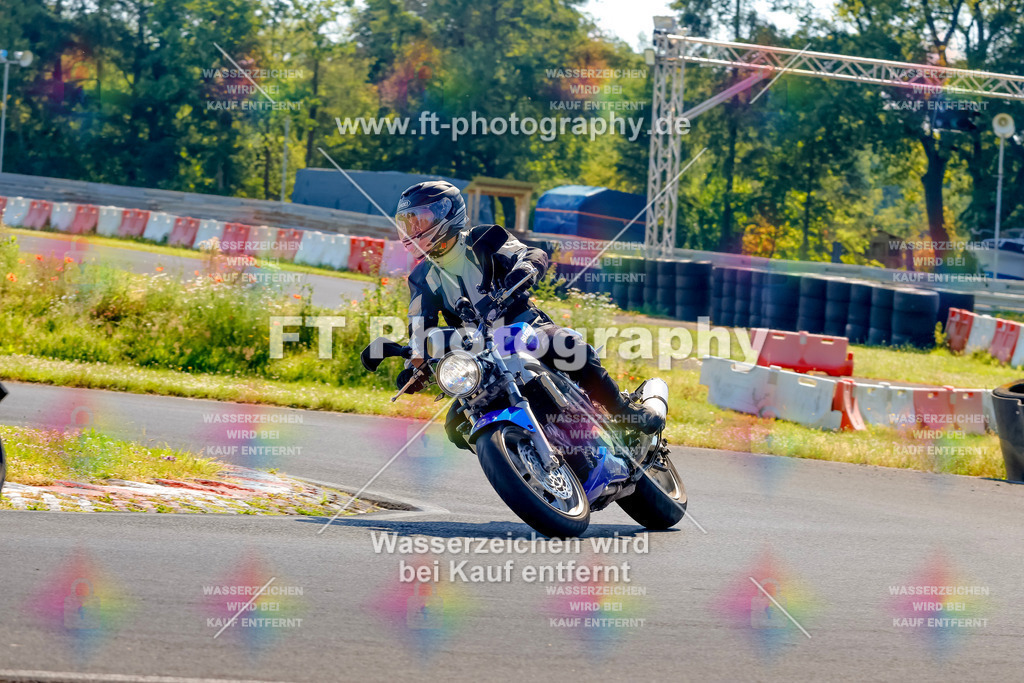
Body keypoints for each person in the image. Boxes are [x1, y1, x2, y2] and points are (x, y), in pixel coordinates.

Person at [393, 180, 665, 436]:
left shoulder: (483, 239)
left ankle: (622, 411)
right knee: (456, 426)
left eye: (420, 220)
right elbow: (420, 327)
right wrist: (415, 366)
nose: (413, 230)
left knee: (569, 347)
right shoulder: (421, 277)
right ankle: (521, 458)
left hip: (524, 327)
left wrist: (525, 267)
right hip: (480, 351)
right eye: (407, 223)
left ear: (446, 213)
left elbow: (528, 253)